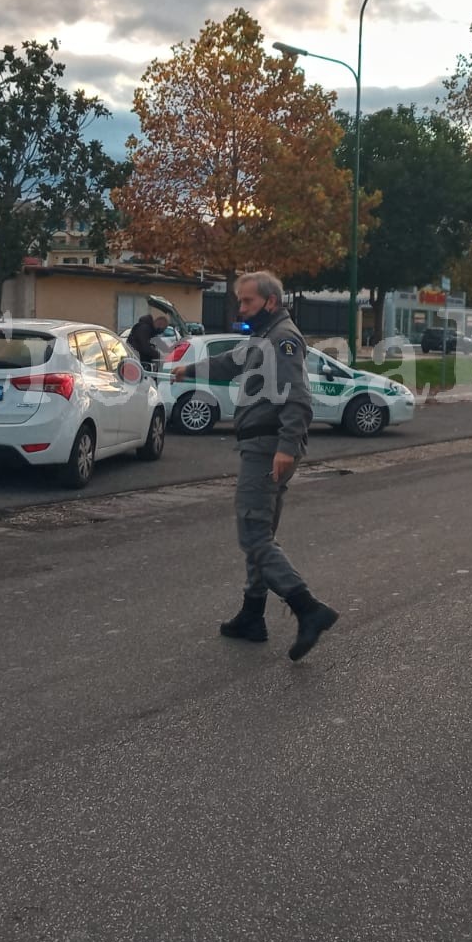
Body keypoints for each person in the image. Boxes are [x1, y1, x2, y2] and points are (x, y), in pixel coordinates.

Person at [171, 270, 338, 661]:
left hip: (267, 447)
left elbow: (298, 398)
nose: (241, 308)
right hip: (265, 445)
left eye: (247, 301)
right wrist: (189, 370)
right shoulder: (263, 336)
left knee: (254, 535)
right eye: (239, 301)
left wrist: (287, 446)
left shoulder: (281, 339)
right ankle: (252, 614)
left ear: (271, 302)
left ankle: (308, 608)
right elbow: (231, 361)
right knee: (260, 532)